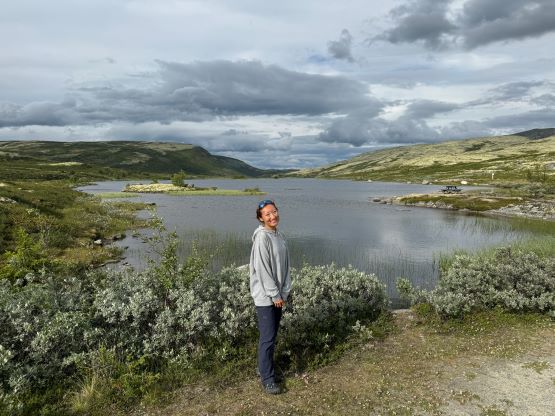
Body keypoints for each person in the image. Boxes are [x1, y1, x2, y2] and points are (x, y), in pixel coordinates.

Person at [249, 199, 291, 395]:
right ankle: (267, 379)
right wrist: (274, 295)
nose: (273, 216)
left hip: (278, 295)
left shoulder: (279, 235)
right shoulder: (261, 238)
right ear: (261, 218)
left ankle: (266, 369)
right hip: (265, 297)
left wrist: (285, 291)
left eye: (274, 212)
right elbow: (263, 270)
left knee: (272, 335)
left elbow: (286, 265)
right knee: (267, 337)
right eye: (267, 214)